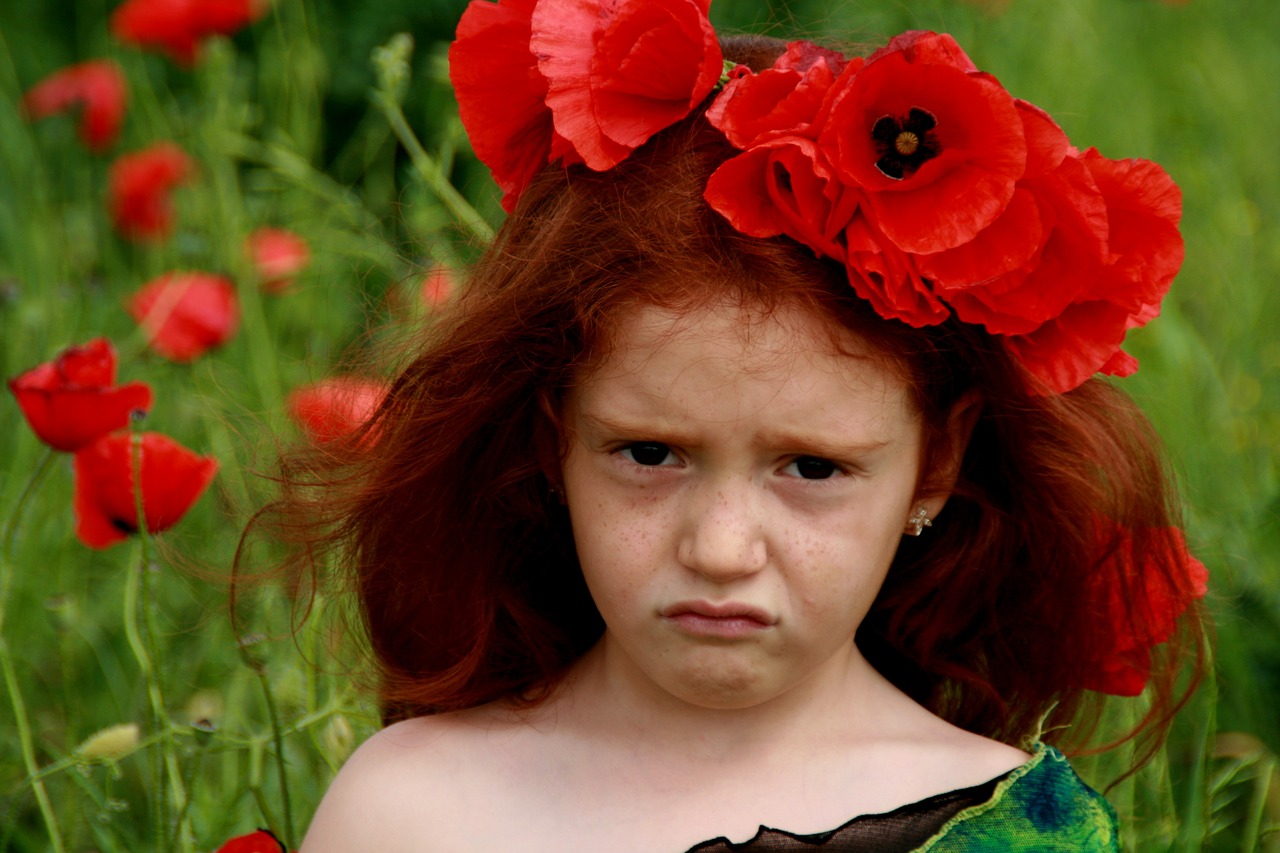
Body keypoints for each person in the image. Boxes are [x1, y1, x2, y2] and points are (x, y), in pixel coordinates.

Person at [290, 2, 1208, 849]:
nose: (723, 549)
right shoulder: (411, 813)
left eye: (810, 468)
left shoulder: (1015, 828)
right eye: (650, 453)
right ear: (552, 439)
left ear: (936, 463)